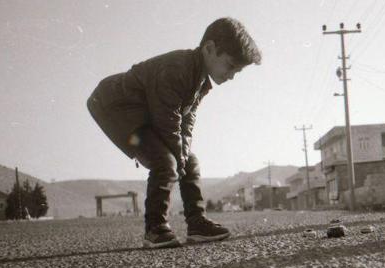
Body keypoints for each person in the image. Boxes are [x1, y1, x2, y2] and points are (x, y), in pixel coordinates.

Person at [87, 18, 261, 247]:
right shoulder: (177, 68)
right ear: (209, 48)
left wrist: (184, 153)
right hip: (114, 107)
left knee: (189, 160)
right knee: (165, 160)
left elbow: (186, 120)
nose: (231, 76)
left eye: (237, 71)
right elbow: (166, 120)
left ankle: (197, 223)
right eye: (230, 66)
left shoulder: (200, 81)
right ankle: (155, 229)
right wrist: (177, 156)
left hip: (145, 113)